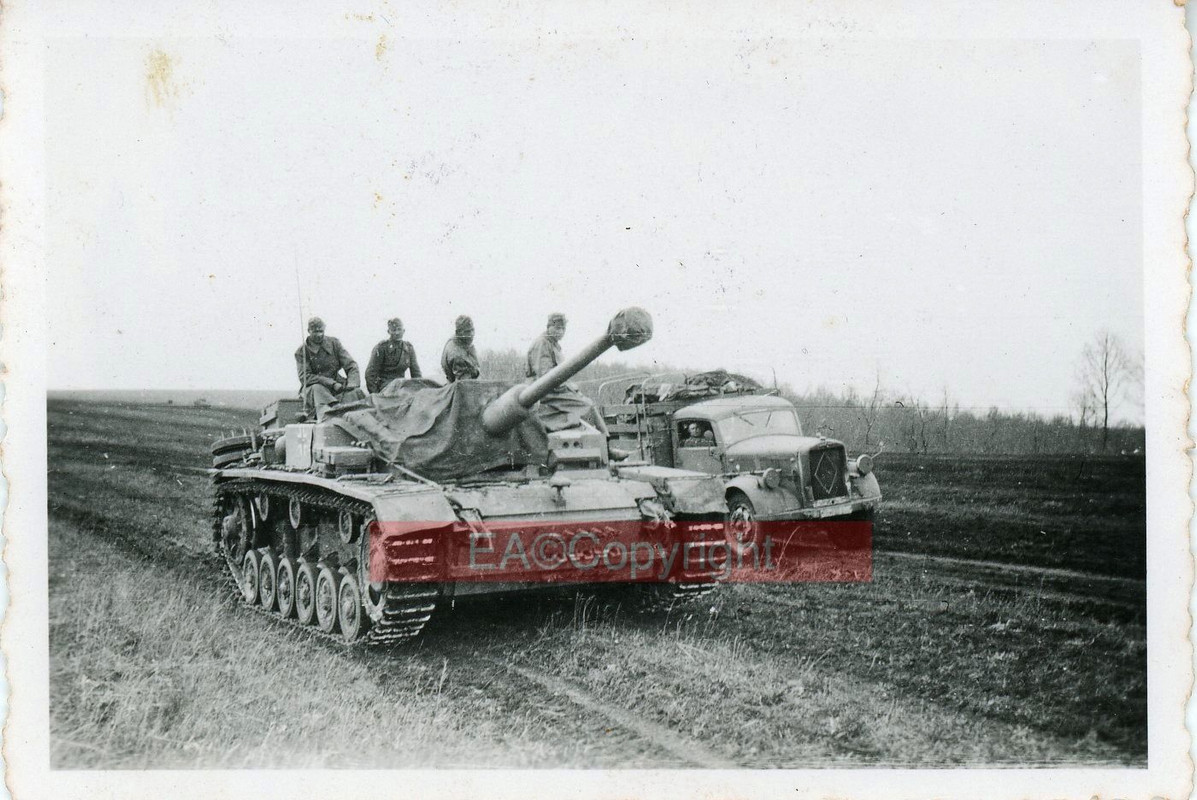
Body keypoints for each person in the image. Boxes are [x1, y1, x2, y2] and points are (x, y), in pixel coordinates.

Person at [524, 312, 613, 439]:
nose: (560, 332)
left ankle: (604, 443)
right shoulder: (542, 343)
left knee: (586, 403)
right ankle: (606, 445)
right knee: (588, 406)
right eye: (557, 328)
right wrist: (568, 388)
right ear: (548, 327)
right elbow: (544, 377)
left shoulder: (552, 344)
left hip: (553, 390)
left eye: (563, 329)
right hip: (545, 394)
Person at [295, 317, 361, 417]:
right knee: (317, 389)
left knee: (356, 393)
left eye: (321, 331)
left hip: (337, 386)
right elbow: (305, 377)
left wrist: (352, 383)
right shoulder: (302, 352)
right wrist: (331, 383)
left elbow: (351, 365)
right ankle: (331, 411)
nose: (319, 335)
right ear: (309, 331)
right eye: (315, 332)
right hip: (314, 388)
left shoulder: (334, 344)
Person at [365, 317, 422, 393]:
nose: (397, 333)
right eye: (394, 330)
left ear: (403, 331)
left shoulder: (408, 348)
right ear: (389, 331)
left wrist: (419, 391)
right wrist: (375, 396)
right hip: (385, 388)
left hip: (402, 386)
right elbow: (370, 374)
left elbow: (416, 374)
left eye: (399, 329)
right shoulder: (381, 348)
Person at [441, 314, 481, 382]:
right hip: (461, 389)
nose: (471, 334)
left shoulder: (459, 343)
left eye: (472, 330)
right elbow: (465, 385)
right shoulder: (457, 354)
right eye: (467, 332)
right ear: (458, 333)